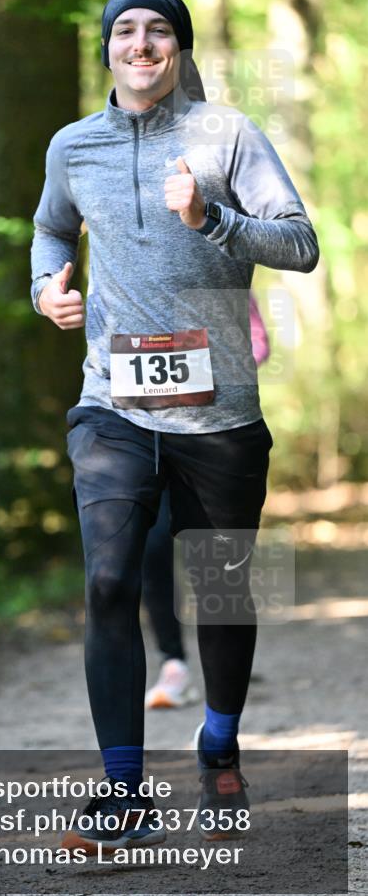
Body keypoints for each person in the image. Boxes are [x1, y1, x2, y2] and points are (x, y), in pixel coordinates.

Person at [30, 0, 318, 854]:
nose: (142, 44)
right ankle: (122, 790)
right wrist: (48, 287)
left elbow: (299, 243)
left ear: (179, 48)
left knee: (223, 591)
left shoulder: (226, 134)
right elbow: (50, 229)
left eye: (159, 30)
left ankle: (219, 742)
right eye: (126, 30)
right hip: (111, 407)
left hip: (220, 411)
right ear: (107, 49)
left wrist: (212, 219)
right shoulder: (72, 145)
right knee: (110, 583)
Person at [143, 292, 270, 709]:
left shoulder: (219, 279)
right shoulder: (132, 281)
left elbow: (259, 343)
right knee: (154, 543)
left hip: (209, 434)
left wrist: (213, 363)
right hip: (146, 433)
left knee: (211, 560)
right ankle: (173, 662)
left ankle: (222, 664)